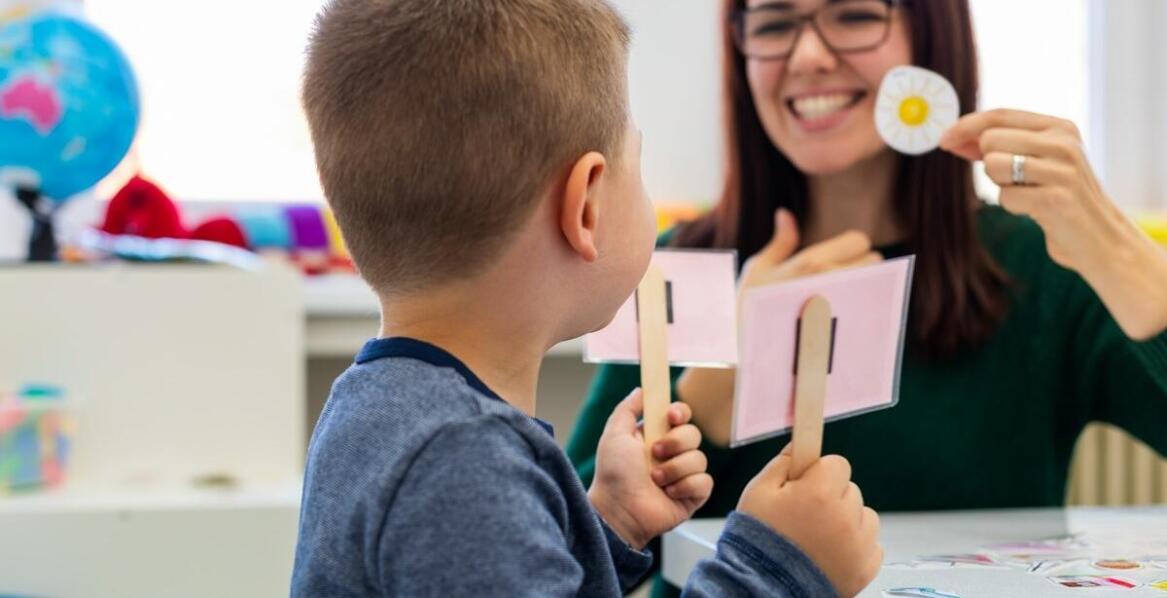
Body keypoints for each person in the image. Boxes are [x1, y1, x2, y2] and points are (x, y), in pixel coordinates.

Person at [567, 0, 1167, 595]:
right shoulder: (669, 268)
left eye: (853, 17)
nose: (808, 56)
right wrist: (716, 384)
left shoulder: (1038, 267)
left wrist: (1118, 249)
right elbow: (568, 559)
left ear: (932, 36)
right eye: (774, 24)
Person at [291, 0, 882, 595]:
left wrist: (608, 526)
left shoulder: (373, 410)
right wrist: (775, 569)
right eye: (638, 164)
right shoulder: (464, 462)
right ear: (587, 207)